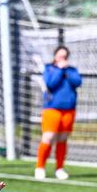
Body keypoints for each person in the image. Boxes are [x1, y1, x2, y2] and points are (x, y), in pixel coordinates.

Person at [35, 46, 82, 181]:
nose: (63, 58)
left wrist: (67, 70)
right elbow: (51, 83)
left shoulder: (72, 70)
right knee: (48, 137)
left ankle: (59, 168)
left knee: (62, 138)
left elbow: (77, 82)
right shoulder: (50, 69)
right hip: (52, 108)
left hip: (69, 109)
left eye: (65, 56)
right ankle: (40, 167)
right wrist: (60, 70)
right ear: (55, 56)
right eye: (60, 55)